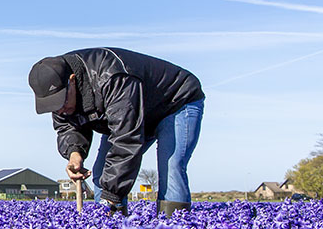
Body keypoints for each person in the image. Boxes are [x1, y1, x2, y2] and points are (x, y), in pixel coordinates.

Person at [28, 47, 205, 216]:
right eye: (53, 106)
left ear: (72, 81)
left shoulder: (113, 77)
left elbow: (126, 140)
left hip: (175, 104)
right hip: (131, 113)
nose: (60, 110)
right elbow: (67, 126)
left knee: (170, 166)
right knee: (103, 171)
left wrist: (112, 194)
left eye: (61, 102)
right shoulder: (60, 96)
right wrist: (75, 154)